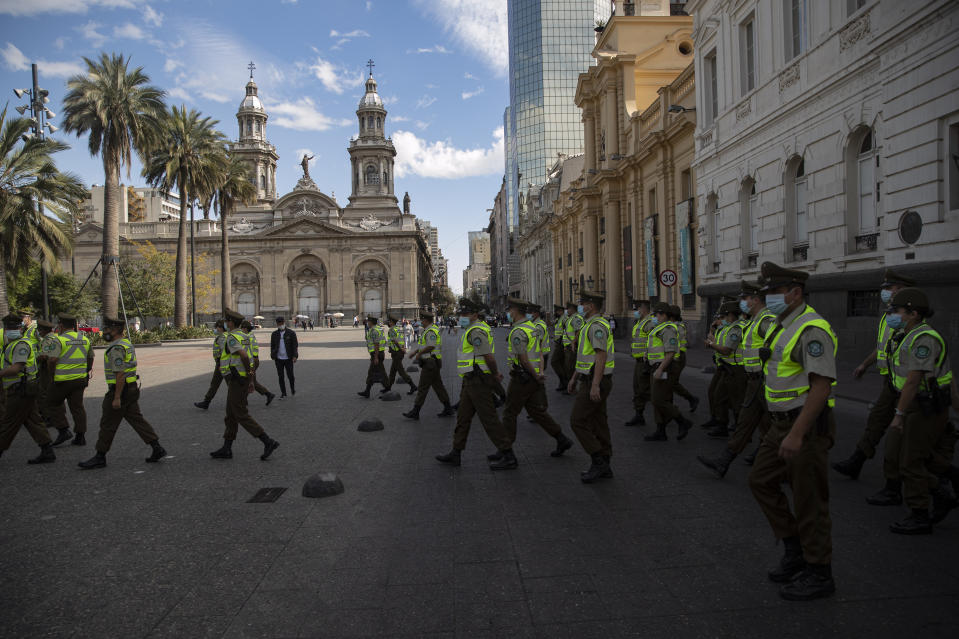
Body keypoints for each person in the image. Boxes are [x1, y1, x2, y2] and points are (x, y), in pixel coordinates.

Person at [748, 261, 837, 601]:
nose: (768, 297)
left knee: (809, 499)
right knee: (759, 480)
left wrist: (798, 434)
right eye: (767, 292)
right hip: (780, 424)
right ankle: (794, 549)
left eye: (774, 292)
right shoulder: (785, 323)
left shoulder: (812, 329)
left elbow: (821, 387)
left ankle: (819, 572)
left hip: (805, 426)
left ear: (795, 293)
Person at [878, 288, 954, 534]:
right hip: (912, 403)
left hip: (925, 406)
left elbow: (913, 380)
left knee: (911, 461)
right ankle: (941, 487)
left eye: (896, 311)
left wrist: (898, 415)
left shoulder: (924, 338)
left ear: (912, 313)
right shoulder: (906, 334)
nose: (891, 315)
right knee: (905, 455)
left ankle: (921, 513)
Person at [832, 269, 916, 481]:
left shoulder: (910, 317)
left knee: (908, 440)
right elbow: (883, 348)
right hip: (891, 383)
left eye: (890, 288)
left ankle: (906, 484)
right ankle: (857, 461)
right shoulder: (890, 316)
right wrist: (864, 364)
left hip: (907, 387)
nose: (885, 292)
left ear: (902, 290)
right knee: (876, 422)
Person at [698, 280, 776, 478]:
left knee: (772, 425)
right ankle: (724, 461)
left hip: (764, 380)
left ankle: (780, 466)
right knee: (744, 422)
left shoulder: (766, 320)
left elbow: (779, 349)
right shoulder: (753, 321)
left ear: (756, 299)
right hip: (753, 379)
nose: (743, 302)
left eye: (745, 298)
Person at [78, 317, 166, 469]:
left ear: (115, 330)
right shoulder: (126, 344)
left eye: (107, 329)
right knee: (137, 420)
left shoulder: (116, 348)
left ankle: (100, 456)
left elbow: (120, 374)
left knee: (108, 423)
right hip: (131, 389)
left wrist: (117, 397)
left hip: (121, 391)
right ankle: (157, 447)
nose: (104, 332)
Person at [496, 298, 573, 469]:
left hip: (522, 378)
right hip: (532, 376)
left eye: (509, 310)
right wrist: (540, 372)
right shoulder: (532, 328)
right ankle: (562, 439)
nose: (508, 314)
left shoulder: (518, 331)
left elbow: (523, 359)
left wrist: (535, 374)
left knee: (509, 413)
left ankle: (507, 453)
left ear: (515, 311)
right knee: (537, 412)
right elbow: (539, 353)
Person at [436, 298, 509, 467]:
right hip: (470, 380)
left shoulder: (476, 331)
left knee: (488, 418)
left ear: (475, 315)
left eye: (465, 314)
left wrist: (495, 373)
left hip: (479, 380)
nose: (462, 316)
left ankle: (508, 453)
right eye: (461, 313)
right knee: (463, 417)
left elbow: (488, 356)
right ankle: (456, 452)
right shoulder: (472, 329)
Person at [209, 309, 279, 461]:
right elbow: (251, 357)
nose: (225, 324)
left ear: (231, 322)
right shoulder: (245, 336)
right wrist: (251, 378)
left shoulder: (232, 337)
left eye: (227, 321)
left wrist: (250, 375)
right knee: (230, 414)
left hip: (237, 380)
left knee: (240, 414)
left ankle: (268, 441)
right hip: (242, 379)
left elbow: (243, 355)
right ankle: (227, 448)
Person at [567, 292, 615, 482]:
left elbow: (600, 355)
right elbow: (586, 358)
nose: (580, 307)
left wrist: (595, 385)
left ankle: (599, 461)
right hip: (590, 378)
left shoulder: (596, 326)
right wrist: (574, 377)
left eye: (583, 304)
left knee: (577, 420)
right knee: (598, 422)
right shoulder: (589, 325)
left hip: (596, 381)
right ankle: (605, 463)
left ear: (591, 306)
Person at [0, 313, 56, 464]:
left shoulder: (21, 344)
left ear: (20, 329)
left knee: (8, 423)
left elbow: (16, 368)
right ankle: (47, 450)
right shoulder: (12, 344)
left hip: (20, 389)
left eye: (13, 327)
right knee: (32, 420)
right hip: (22, 388)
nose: (9, 330)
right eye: (8, 327)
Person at [644, 302, 694, 442]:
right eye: (654, 314)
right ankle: (661, 430)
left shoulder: (668, 329)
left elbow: (670, 352)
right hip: (655, 367)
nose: (655, 317)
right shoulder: (658, 328)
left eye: (658, 314)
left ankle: (682, 421)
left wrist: (660, 369)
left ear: (665, 315)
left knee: (658, 400)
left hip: (665, 368)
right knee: (655, 400)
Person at [46, 313, 94, 446]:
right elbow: (91, 357)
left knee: (52, 402)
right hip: (79, 379)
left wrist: (52, 374)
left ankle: (63, 430)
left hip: (62, 379)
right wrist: (86, 370)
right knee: (77, 407)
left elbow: (52, 360)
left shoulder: (58, 340)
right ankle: (80, 436)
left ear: (61, 325)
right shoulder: (84, 339)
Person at [703, 301, 746, 438]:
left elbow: (726, 350)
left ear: (732, 315)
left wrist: (711, 344)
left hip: (735, 368)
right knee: (718, 395)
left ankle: (742, 430)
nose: (722, 319)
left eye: (725, 316)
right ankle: (722, 424)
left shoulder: (736, 329)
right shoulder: (727, 328)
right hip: (724, 366)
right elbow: (718, 342)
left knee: (736, 400)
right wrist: (712, 332)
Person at [403, 311, 454, 419]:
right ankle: (448, 408)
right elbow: (424, 345)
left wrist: (419, 353)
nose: (421, 321)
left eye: (422, 320)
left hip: (430, 363)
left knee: (422, 387)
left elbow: (431, 346)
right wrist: (416, 352)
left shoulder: (431, 331)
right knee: (438, 386)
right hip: (432, 363)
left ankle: (416, 411)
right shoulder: (429, 330)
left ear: (426, 321)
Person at [625, 299, 654, 426]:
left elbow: (653, 341)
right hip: (638, 361)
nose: (637, 311)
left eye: (638, 309)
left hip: (645, 361)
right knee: (637, 388)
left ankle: (672, 413)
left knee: (645, 390)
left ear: (644, 309)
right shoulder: (640, 322)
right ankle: (639, 415)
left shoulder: (650, 322)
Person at [668, 305, 700, 412]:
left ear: (672, 316)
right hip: (674, 357)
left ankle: (691, 399)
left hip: (678, 358)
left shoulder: (677, 327)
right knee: (670, 383)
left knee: (672, 383)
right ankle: (669, 405)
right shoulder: (672, 325)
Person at [240, 321, 276, 405]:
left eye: (241, 328)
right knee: (251, 380)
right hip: (253, 360)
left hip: (251, 361)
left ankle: (243, 400)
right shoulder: (250, 336)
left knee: (249, 380)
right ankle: (268, 394)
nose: (241, 330)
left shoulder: (247, 337)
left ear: (245, 328)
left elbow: (244, 350)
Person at [194, 320, 227, 410]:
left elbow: (224, 351)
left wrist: (221, 364)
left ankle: (206, 402)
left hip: (222, 364)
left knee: (215, 384)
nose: (216, 329)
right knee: (227, 384)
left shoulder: (222, 337)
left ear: (220, 328)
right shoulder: (224, 336)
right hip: (223, 363)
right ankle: (241, 401)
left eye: (217, 327)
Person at [358, 316, 390, 397]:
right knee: (377, 372)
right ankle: (369, 390)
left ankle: (369, 391)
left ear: (371, 322)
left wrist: (376, 357)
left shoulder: (374, 330)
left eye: (368, 321)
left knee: (374, 372)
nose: (367, 323)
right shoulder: (379, 328)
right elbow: (383, 341)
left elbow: (376, 344)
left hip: (376, 354)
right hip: (380, 353)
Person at [386, 315, 417, 395]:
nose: (388, 322)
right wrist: (403, 348)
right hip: (399, 352)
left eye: (389, 321)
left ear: (392, 322)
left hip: (397, 352)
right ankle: (388, 387)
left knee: (401, 371)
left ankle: (412, 385)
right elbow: (402, 339)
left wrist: (401, 349)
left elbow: (395, 341)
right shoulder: (399, 329)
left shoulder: (392, 330)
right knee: (393, 371)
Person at [33, 319, 56, 427]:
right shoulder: (55, 337)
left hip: (46, 369)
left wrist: (34, 358)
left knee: (43, 393)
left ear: (43, 330)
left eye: (39, 330)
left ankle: (49, 417)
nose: (38, 332)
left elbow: (44, 355)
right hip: (53, 369)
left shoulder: (48, 339)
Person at [270, 317, 298, 398]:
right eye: (278, 324)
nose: (280, 325)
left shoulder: (291, 333)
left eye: (281, 323)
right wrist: (272, 354)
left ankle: (292, 389)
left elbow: (295, 345)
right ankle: (283, 393)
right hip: (278, 359)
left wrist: (295, 356)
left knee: (290, 376)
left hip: (288, 358)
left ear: (284, 322)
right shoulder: (274, 334)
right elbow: (272, 346)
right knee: (281, 376)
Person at [562, 301, 584, 394]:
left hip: (572, 347)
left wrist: (573, 342)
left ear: (572, 309)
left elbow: (578, 331)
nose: (567, 311)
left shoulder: (576, 318)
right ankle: (570, 387)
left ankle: (573, 388)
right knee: (568, 366)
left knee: (571, 367)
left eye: (568, 309)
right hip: (568, 346)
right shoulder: (570, 318)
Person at [550, 304, 568, 391]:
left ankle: (564, 380)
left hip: (561, 344)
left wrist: (562, 342)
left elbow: (566, 331)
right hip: (558, 343)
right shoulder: (559, 319)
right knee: (561, 363)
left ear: (560, 311)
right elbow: (551, 325)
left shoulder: (564, 318)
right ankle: (562, 382)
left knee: (554, 362)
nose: (555, 313)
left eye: (556, 311)